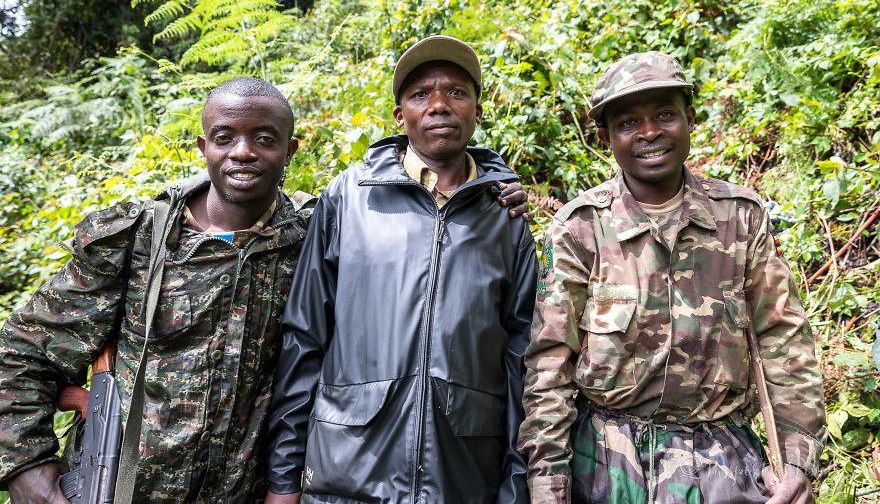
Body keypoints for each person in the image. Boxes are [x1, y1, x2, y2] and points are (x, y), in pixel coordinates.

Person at [0, 75, 531, 503]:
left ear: (290, 149)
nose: (244, 154)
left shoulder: (315, 230)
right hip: (124, 486)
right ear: (203, 145)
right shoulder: (140, 239)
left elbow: (409, 248)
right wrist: (27, 469)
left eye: (264, 139)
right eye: (226, 137)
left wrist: (494, 193)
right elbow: (21, 353)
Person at [518, 52, 826, 504]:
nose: (649, 133)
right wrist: (548, 483)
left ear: (691, 119)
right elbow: (549, 365)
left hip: (723, 461)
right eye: (628, 122)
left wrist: (797, 459)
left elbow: (784, 342)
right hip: (605, 463)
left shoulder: (740, 218)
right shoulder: (580, 228)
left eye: (665, 114)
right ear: (606, 137)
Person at [265, 35, 537, 503]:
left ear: (476, 109)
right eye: (420, 95)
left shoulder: (505, 216)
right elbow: (304, 338)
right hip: (346, 474)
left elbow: (522, 361)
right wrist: (283, 480)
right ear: (400, 116)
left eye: (456, 92)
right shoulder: (348, 198)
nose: (439, 105)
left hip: (463, 478)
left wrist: (516, 488)